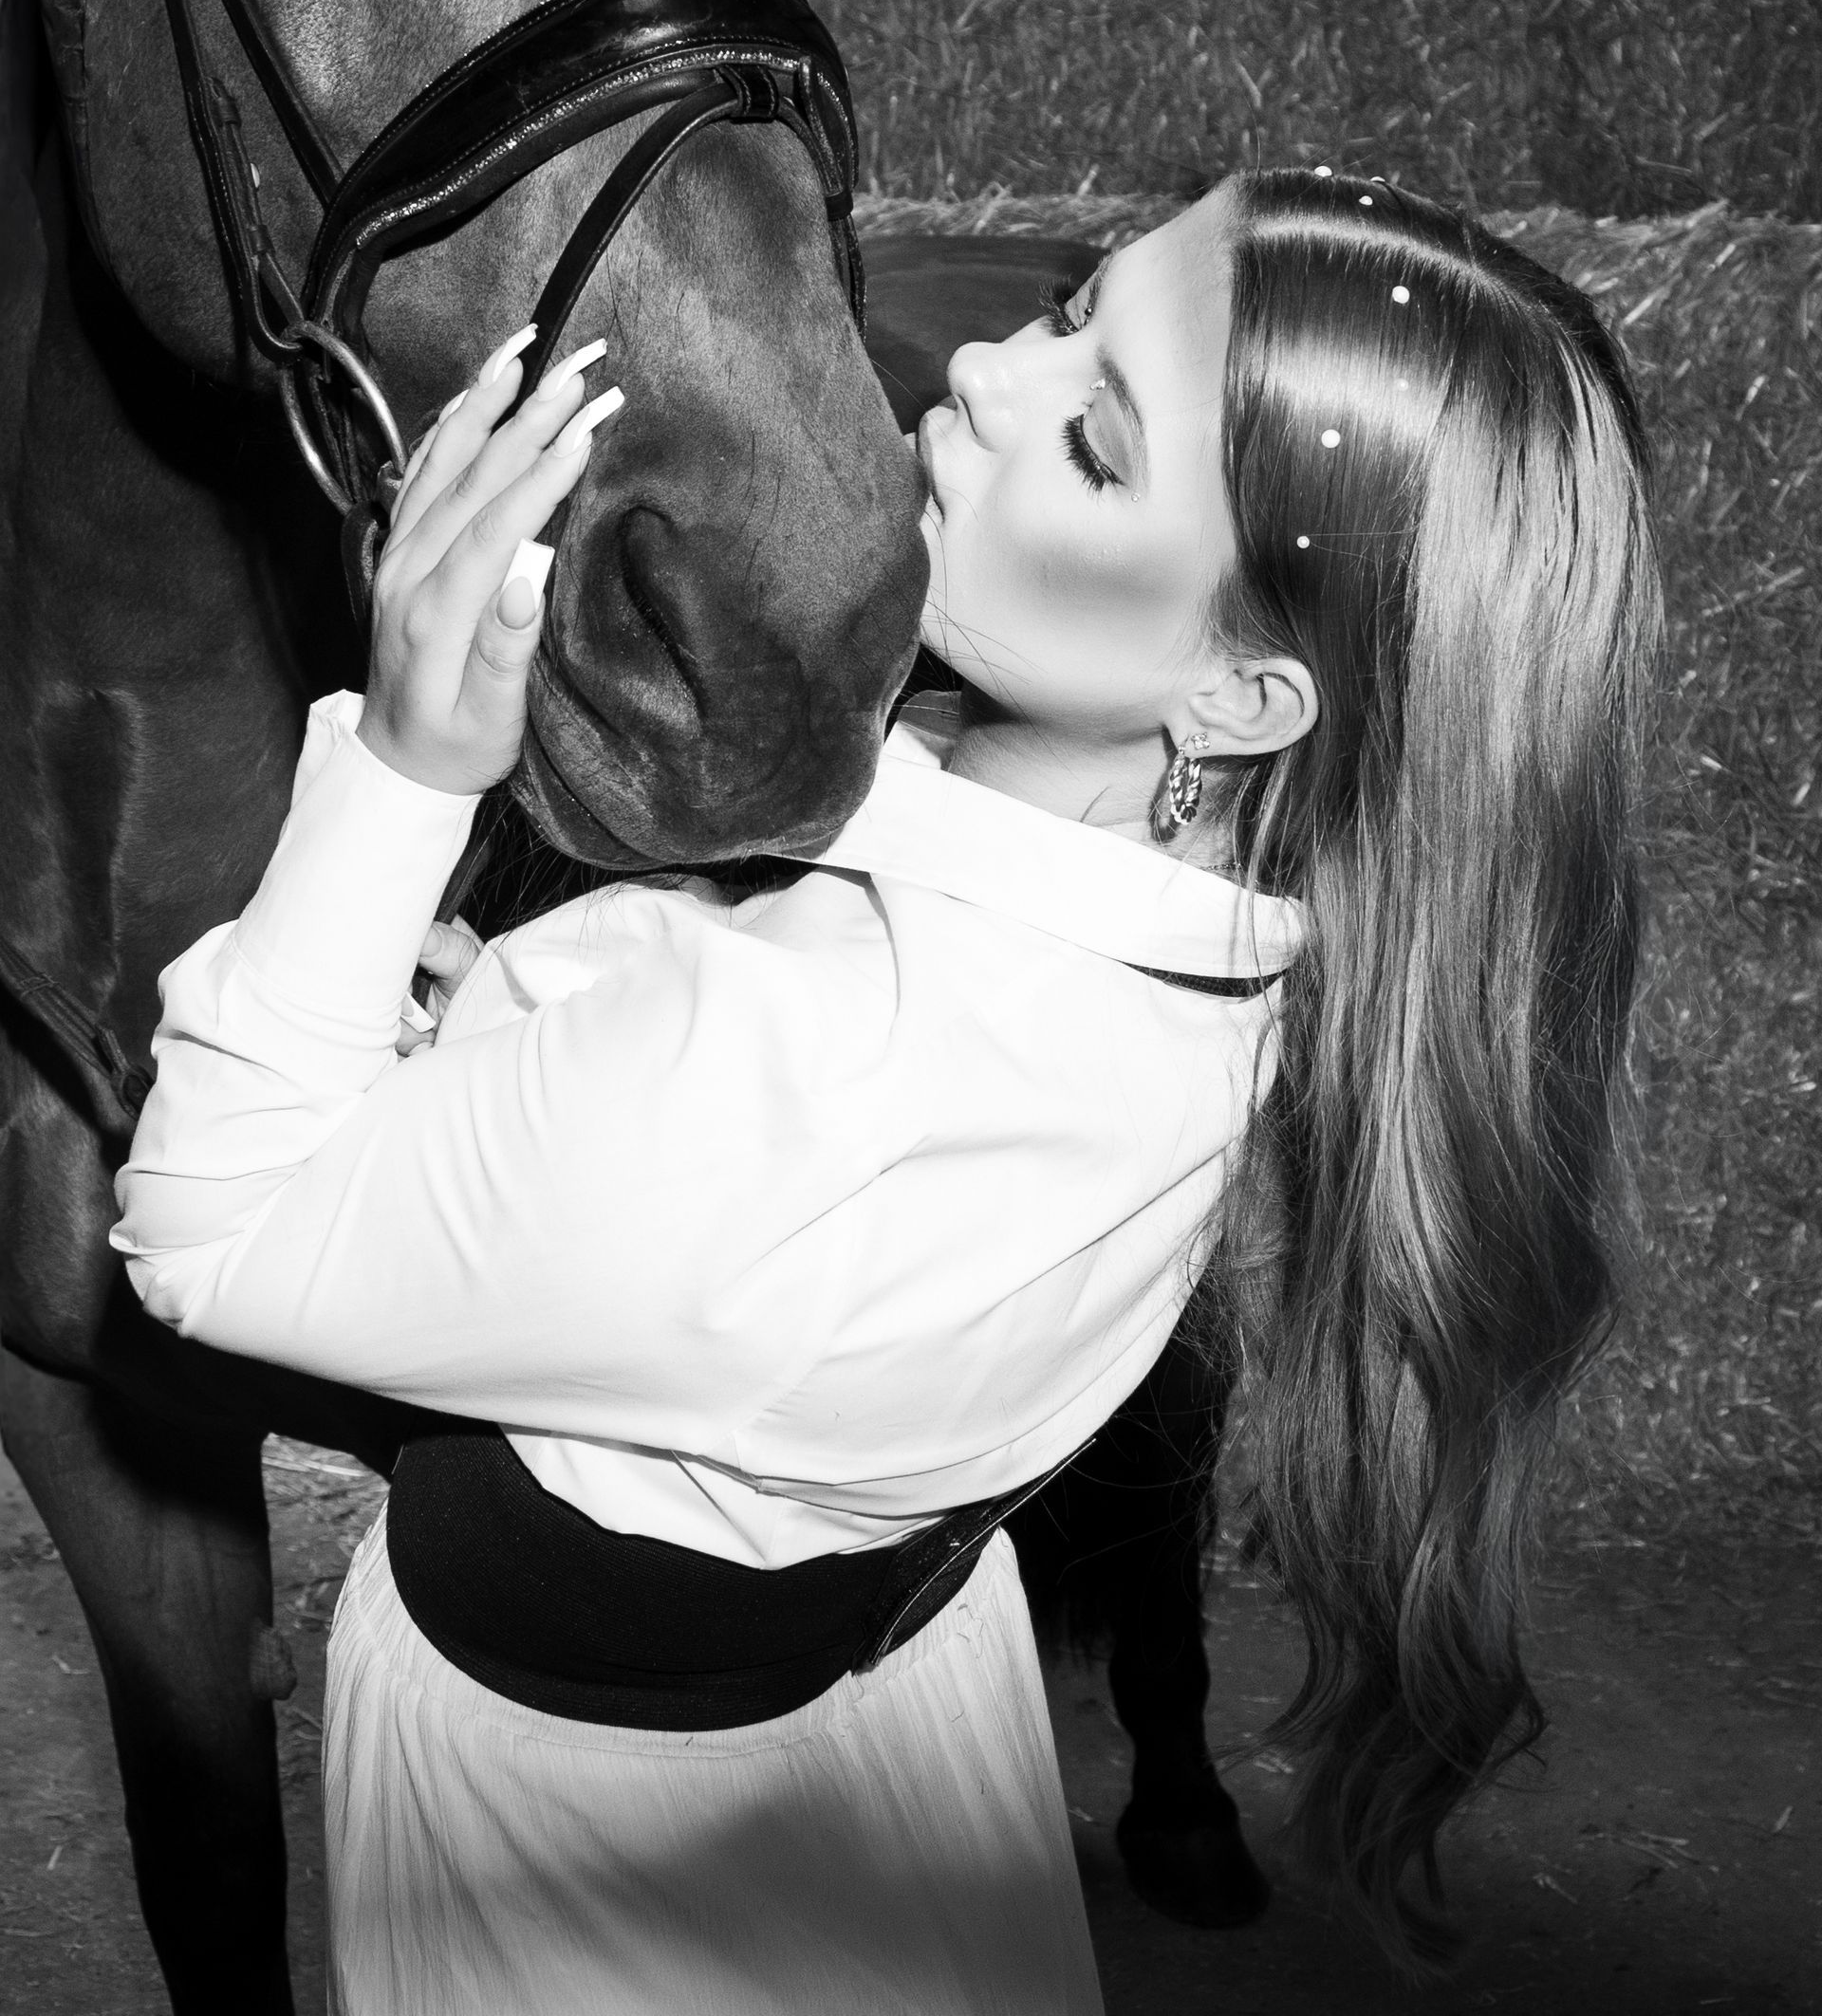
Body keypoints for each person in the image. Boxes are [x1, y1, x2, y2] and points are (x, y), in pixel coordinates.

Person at [111, 167, 1662, 2011]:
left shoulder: (810, 1101)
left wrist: (412, 760)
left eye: (1094, 438)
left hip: (581, 1851)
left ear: (1241, 703)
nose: (994, 367)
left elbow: (210, 1232)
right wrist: (527, 1011)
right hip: (880, 1708)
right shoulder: (1214, 952)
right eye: (1084, 296)